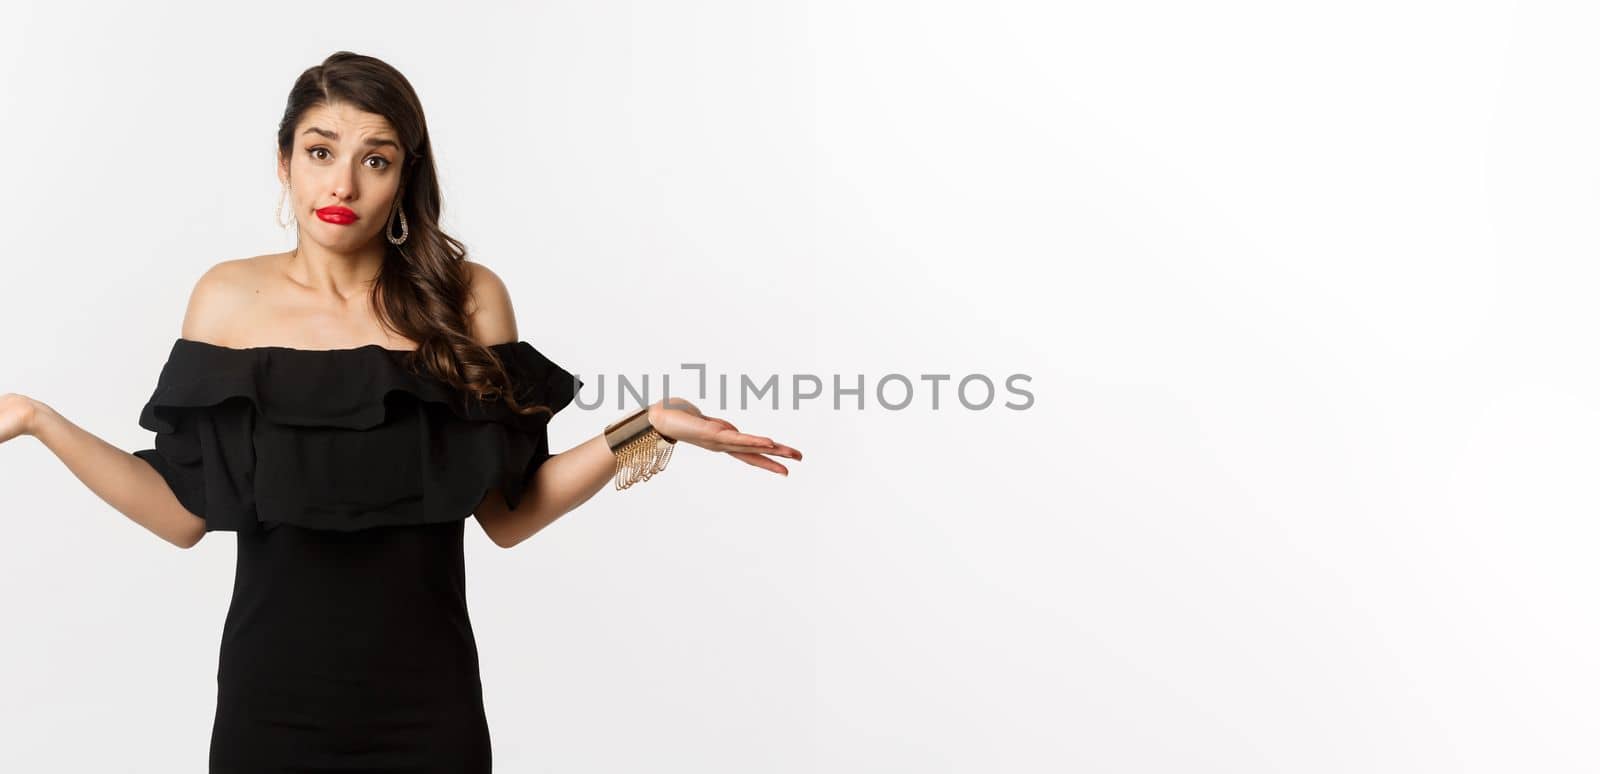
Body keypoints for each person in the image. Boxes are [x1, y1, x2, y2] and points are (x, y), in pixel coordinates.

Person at [0, 50, 802, 773]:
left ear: (403, 177)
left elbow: (509, 514)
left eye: (373, 160)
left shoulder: (467, 300)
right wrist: (36, 418)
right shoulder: (227, 298)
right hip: (269, 708)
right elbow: (182, 514)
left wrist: (647, 426)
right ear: (284, 164)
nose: (341, 185)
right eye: (320, 153)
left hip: (431, 711)